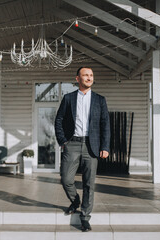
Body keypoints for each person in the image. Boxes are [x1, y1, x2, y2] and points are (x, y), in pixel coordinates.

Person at [54, 67, 110, 232]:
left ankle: (85, 218)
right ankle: (75, 200)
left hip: (92, 146)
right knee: (65, 178)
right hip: (72, 143)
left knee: (88, 183)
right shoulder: (69, 98)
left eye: (91, 75)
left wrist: (105, 146)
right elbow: (59, 120)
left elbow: (105, 124)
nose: (89, 77)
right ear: (77, 78)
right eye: (85, 75)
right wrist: (63, 141)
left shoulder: (100, 100)